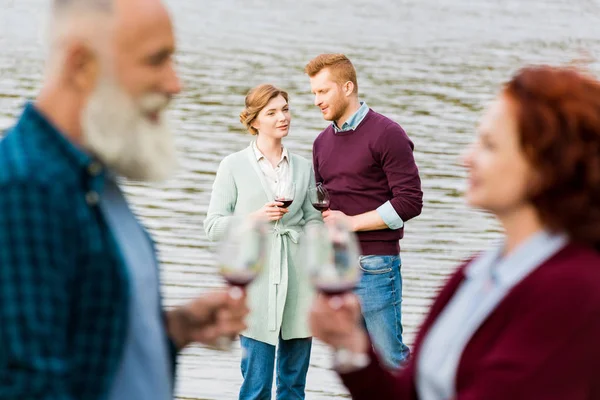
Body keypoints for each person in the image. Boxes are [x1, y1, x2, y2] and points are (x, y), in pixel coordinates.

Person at [0, 1, 249, 399]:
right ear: (81, 65)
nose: (175, 84)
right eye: (156, 60)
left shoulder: (98, 175)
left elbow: (89, 352)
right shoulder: (24, 190)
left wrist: (175, 329)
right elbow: (30, 386)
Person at [309, 65, 600, 399]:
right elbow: (409, 392)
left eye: (490, 144)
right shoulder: (471, 273)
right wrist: (350, 346)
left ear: (545, 163)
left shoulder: (575, 290)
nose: (467, 158)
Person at [204, 84, 322, 399]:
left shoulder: (302, 167)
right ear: (254, 121)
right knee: (256, 388)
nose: (282, 117)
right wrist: (254, 218)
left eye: (285, 109)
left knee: (293, 386)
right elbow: (213, 227)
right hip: (255, 288)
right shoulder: (233, 166)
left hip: (299, 284)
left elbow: (312, 218)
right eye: (272, 112)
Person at [305, 53, 423, 368]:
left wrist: (351, 224)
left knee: (390, 361)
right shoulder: (320, 144)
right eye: (314, 93)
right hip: (337, 267)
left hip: (376, 265)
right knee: (356, 363)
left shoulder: (387, 133)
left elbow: (410, 201)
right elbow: (326, 206)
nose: (316, 100)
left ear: (347, 87)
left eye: (323, 91)